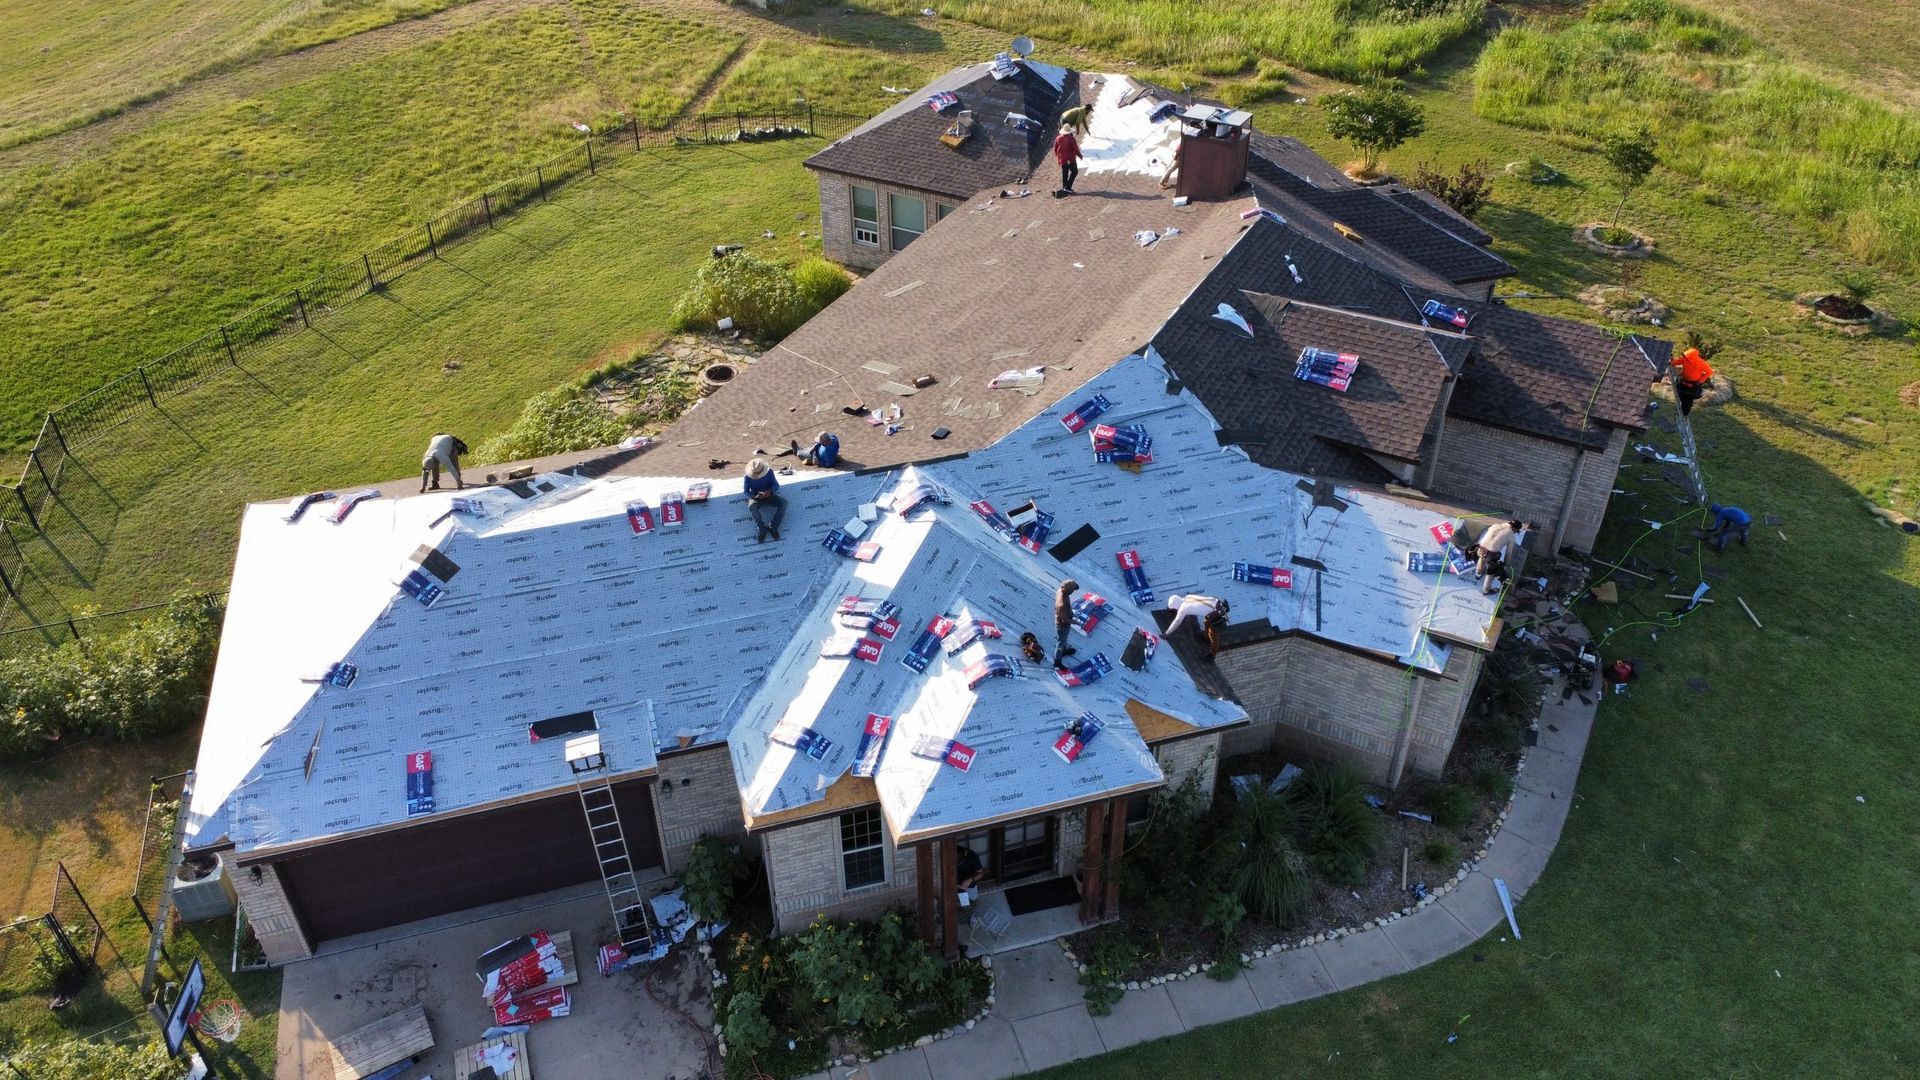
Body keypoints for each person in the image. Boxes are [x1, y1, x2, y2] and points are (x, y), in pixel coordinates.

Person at [1474, 519, 1525, 595]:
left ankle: (1478, 574)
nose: (1515, 533)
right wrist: (1505, 563)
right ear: (1514, 529)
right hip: (1491, 555)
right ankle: (1486, 590)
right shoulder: (1511, 537)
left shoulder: (1495, 525)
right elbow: (1508, 552)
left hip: (1480, 549)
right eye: (1516, 531)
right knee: (1492, 571)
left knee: (1482, 558)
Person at [743, 459, 786, 543]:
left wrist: (770, 491)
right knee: (752, 506)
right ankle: (762, 529)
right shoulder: (747, 477)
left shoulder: (769, 472)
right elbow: (746, 491)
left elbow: (776, 485)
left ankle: (773, 526)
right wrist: (755, 496)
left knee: (784, 503)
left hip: (770, 495)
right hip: (757, 498)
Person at [1671, 347, 1715, 417]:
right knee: (1681, 395)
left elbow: (1709, 372)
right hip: (1684, 381)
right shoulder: (1685, 359)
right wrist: (1671, 363)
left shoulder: (1701, 363)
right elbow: (1676, 362)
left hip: (1693, 385)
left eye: (1687, 357)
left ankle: (1684, 414)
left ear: (1692, 358)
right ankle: (1682, 408)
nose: (1685, 358)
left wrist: (1700, 381)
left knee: (1688, 401)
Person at [1052, 579, 1080, 668]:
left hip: (1062, 619)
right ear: (1069, 591)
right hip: (1062, 626)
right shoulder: (1062, 604)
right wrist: (1074, 621)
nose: (1074, 591)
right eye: (1073, 590)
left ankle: (1063, 650)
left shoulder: (1060, 590)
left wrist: (1070, 612)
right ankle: (1057, 661)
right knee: (1061, 642)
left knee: (1063, 640)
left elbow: (1066, 608)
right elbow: (1064, 620)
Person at [1052, 124, 1082, 198]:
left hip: (1062, 159)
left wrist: (1058, 157)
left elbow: (1055, 149)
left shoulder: (1057, 138)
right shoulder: (1071, 139)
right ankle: (1068, 187)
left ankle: (1064, 187)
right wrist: (1080, 156)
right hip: (1070, 159)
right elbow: (1075, 149)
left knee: (1065, 173)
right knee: (1074, 171)